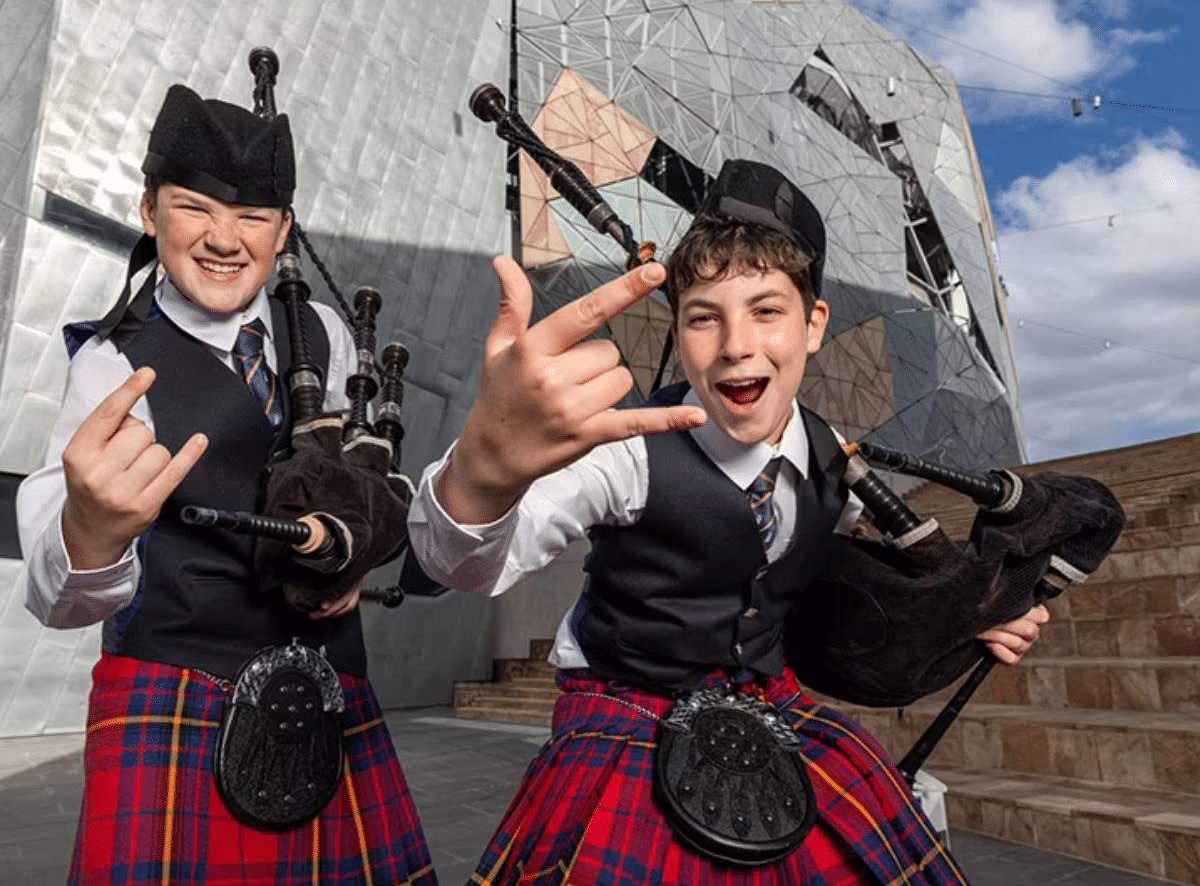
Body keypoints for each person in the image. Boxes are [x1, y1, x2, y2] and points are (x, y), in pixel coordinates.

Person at [407, 159, 1047, 884]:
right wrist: (482, 476)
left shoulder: (832, 461)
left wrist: (969, 615)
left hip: (772, 709)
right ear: (679, 335)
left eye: (767, 310)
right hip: (624, 719)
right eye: (704, 317)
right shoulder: (625, 451)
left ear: (813, 324)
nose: (736, 345)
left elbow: (855, 577)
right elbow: (463, 565)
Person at [17, 84, 437, 885]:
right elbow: (55, 596)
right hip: (171, 695)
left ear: (283, 231)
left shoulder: (324, 330)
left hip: (328, 688)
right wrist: (92, 534)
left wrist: (349, 557)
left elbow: (350, 475)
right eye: (193, 207)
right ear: (148, 212)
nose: (222, 238)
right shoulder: (110, 364)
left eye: (252, 218)